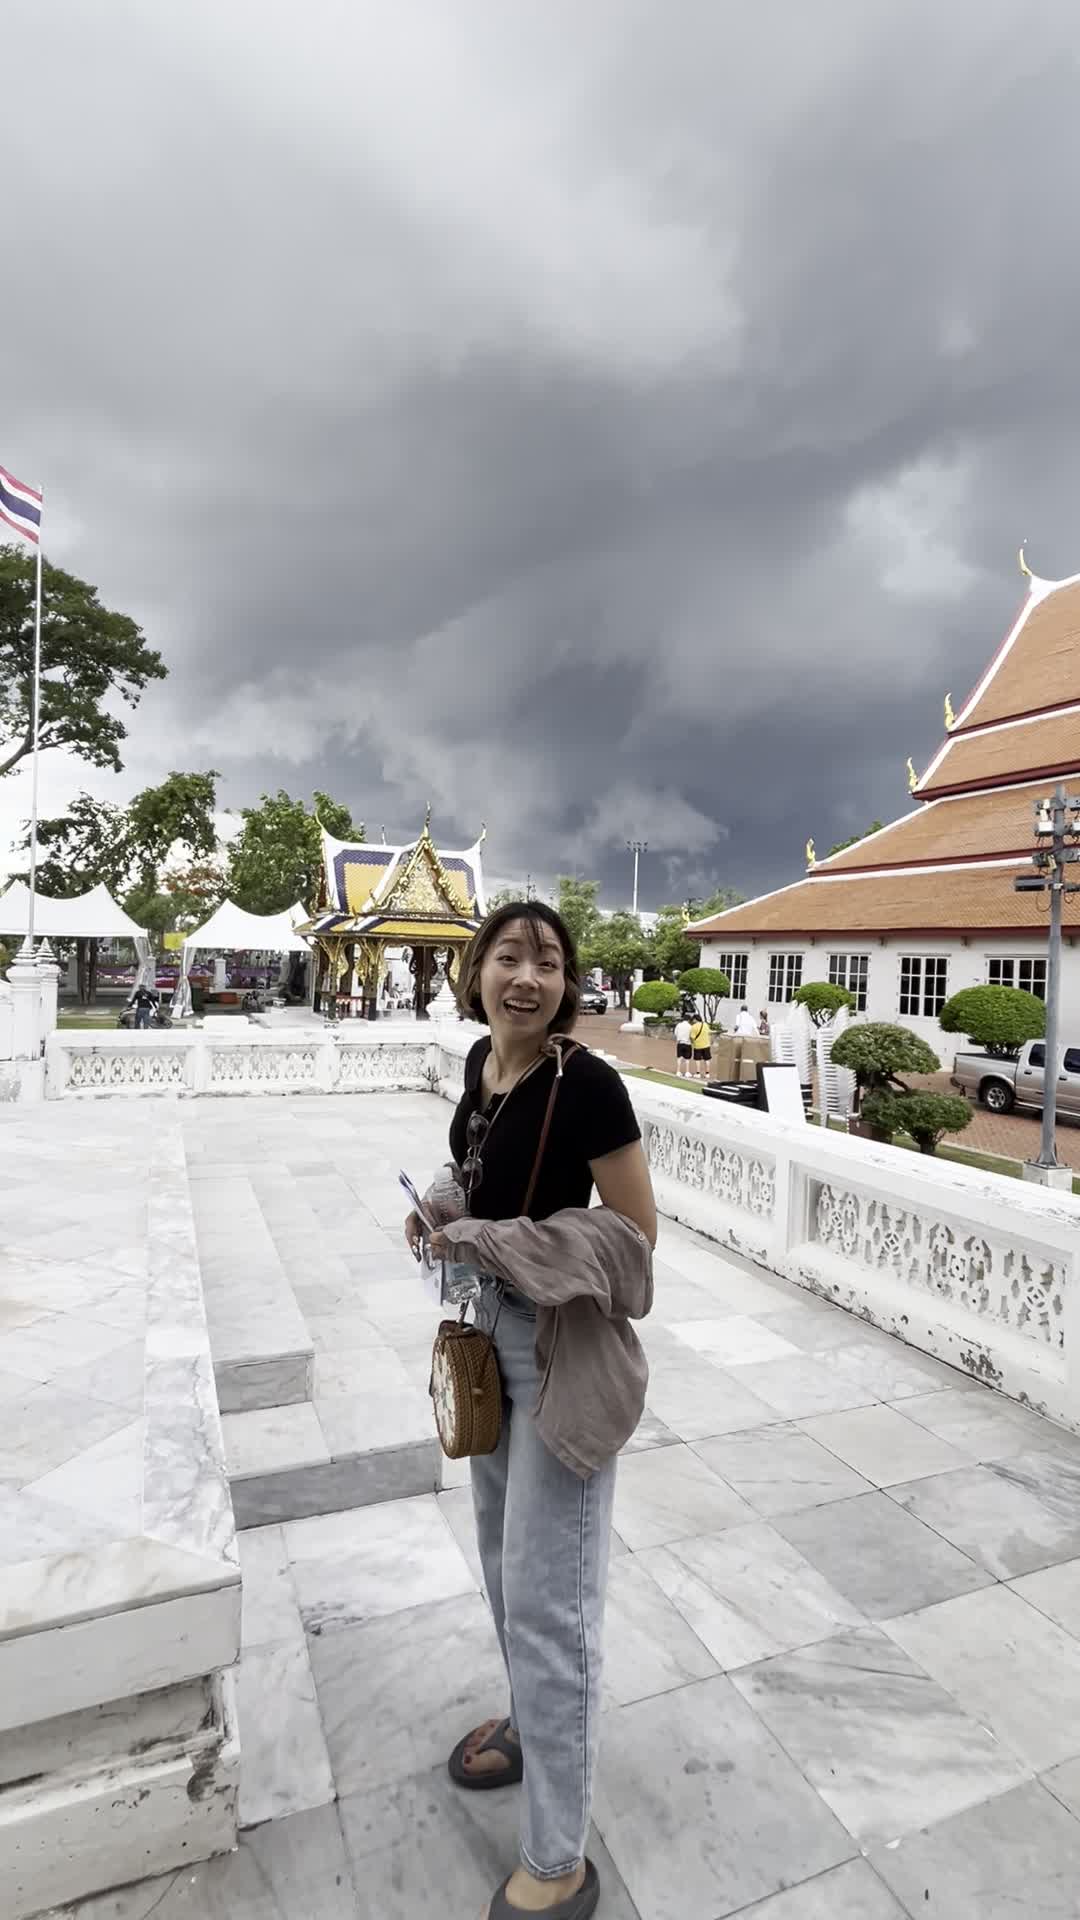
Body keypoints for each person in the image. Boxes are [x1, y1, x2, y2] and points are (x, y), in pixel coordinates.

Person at [405, 901, 656, 1920]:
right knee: (510, 1568)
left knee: (556, 1604)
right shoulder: (481, 1067)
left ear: (566, 987)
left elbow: (635, 1240)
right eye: (509, 955)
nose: (527, 975)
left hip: (558, 1353)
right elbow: (480, 1175)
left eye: (548, 963)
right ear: (477, 972)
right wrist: (439, 1208)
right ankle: (528, 1718)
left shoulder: (586, 1084)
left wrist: (499, 1245)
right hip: (486, 1340)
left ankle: (557, 1858)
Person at [689, 1011, 712, 1080]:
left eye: (693, 1019)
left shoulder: (693, 1027)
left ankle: (698, 1073)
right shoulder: (706, 1025)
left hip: (698, 1045)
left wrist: (692, 1043)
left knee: (697, 1059)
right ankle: (707, 1073)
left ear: (695, 1019)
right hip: (706, 1045)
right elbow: (709, 1033)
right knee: (707, 1059)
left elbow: (692, 1037)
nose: (693, 1021)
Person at [673, 1009, 693, 1078]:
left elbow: (675, 1033)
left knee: (679, 1058)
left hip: (680, 1043)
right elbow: (691, 1035)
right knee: (687, 1059)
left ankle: (678, 1071)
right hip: (688, 1043)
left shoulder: (679, 1025)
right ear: (689, 1020)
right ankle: (687, 1072)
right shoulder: (690, 1026)